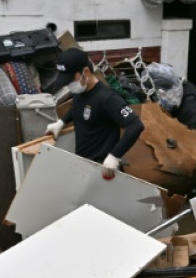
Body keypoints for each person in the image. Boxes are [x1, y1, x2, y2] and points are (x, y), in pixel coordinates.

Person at [44, 48, 144, 180]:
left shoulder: (107, 98)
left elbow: (135, 125)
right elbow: (77, 108)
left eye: (71, 80)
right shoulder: (80, 91)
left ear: (85, 71)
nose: (69, 85)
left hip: (103, 169)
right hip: (84, 165)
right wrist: (61, 122)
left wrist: (115, 156)